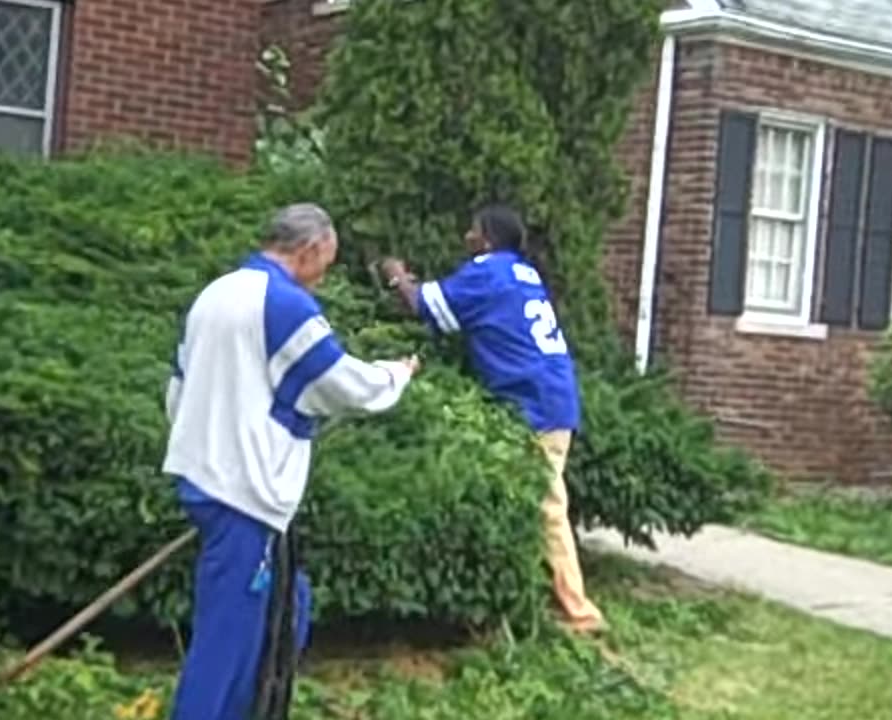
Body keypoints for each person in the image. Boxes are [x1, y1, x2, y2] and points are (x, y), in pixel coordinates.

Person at [164, 203, 421, 719]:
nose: (323, 275)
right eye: (326, 260)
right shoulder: (284, 305)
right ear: (307, 251)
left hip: (211, 481)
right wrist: (395, 375)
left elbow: (178, 390)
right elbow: (338, 383)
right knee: (226, 643)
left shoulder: (215, 294)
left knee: (284, 610)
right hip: (245, 493)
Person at [378, 204, 606, 635]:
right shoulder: (523, 273)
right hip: (552, 395)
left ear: (486, 239)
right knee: (538, 501)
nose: (466, 236)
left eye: (472, 230)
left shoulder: (487, 271)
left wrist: (395, 274)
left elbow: (423, 305)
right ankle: (539, 596)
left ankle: (580, 613)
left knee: (548, 508)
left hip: (535, 402)